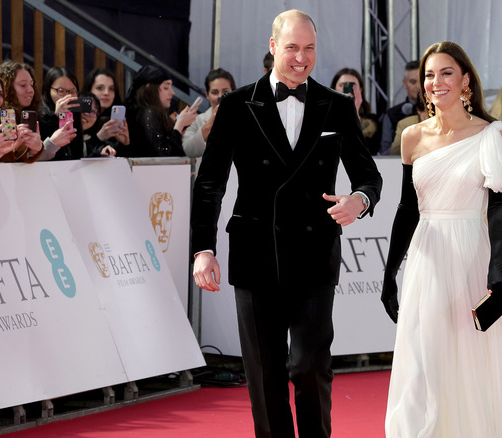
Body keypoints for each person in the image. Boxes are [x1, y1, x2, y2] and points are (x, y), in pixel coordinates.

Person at [190, 10, 382, 438]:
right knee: (264, 371)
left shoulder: (336, 105)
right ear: (273, 46)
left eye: (309, 48)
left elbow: (369, 175)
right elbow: (210, 184)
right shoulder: (238, 105)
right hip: (255, 251)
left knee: (310, 364)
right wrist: (203, 249)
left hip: (314, 254)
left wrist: (359, 199)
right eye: (292, 47)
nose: (301, 58)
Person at [380, 41, 502, 437]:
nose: (436, 82)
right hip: (427, 259)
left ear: (464, 80)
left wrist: (497, 269)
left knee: (476, 359)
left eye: (446, 73)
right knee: (424, 358)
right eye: (429, 74)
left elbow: (498, 207)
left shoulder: (491, 134)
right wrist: (390, 271)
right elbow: (408, 209)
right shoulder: (411, 137)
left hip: (472, 258)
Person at [0, 61, 74, 161]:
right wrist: (50, 144)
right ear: (6, 87)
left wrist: (38, 149)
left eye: (32, 85)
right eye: (23, 85)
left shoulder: (38, 118)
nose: (30, 90)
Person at [125, 65, 194, 157]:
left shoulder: (155, 113)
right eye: (166, 88)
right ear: (149, 88)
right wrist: (178, 127)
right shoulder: (148, 113)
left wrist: (177, 132)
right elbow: (163, 153)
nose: (172, 92)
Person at [182, 68, 236, 158]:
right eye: (215, 92)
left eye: (225, 92)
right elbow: (187, 150)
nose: (220, 96)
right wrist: (206, 129)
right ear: (207, 95)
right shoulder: (197, 121)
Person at [36, 66, 83, 160]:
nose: (67, 95)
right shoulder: (39, 115)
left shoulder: (75, 113)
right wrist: (56, 117)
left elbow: (77, 152)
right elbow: (39, 154)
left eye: (72, 91)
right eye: (61, 91)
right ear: (48, 90)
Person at [81, 68, 130, 154]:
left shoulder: (119, 120)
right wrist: (99, 137)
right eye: (100, 88)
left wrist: (125, 144)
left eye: (111, 89)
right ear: (89, 90)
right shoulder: (80, 117)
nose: (106, 93)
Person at [331, 67, 379, 154]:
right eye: (342, 85)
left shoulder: (372, 121)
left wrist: (354, 113)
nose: (346, 91)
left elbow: (371, 150)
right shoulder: (323, 118)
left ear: (360, 89)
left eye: (352, 86)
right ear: (334, 89)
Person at [379, 60, 420, 155]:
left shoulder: (439, 111)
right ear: (405, 84)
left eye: (421, 81)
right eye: (413, 82)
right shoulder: (391, 115)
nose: (418, 86)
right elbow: (384, 153)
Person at [78, 93, 117, 157]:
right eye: (83, 109)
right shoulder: (63, 136)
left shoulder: (101, 141)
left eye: (92, 111)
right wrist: (97, 138)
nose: (87, 114)